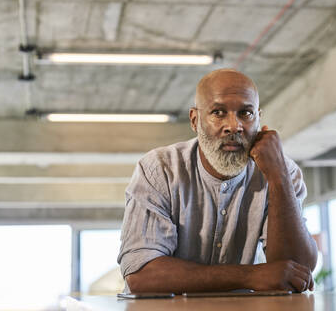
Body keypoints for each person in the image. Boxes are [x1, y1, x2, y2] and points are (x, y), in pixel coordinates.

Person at [117, 68, 318, 294]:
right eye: (218, 112)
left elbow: (297, 272)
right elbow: (141, 275)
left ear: (259, 118)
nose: (234, 126)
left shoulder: (284, 172)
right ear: (195, 120)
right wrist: (250, 276)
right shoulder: (159, 169)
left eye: (246, 113)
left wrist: (278, 177)